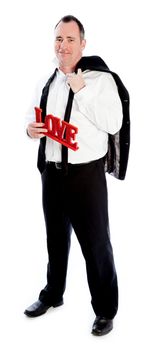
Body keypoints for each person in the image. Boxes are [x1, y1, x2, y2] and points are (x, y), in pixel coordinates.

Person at [24, 15, 130, 336]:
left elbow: (114, 124)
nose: (64, 45)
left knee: (96, 246)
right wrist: (30, 130)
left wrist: (81, 89)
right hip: (52, 175)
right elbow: (33, 116)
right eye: (59, 39)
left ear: (83, 44)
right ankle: (53, 295)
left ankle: (105, 310)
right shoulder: (48, 81)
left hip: (86, 178)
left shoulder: (101, 80)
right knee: (55, 241)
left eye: (71, 39)